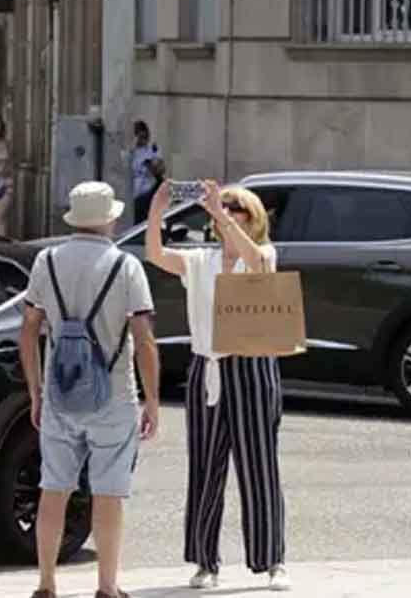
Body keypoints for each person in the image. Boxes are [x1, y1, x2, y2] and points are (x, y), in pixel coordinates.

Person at [144, 180, 290, 592]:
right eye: (222, 208)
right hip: (207, 368)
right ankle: (205, 561)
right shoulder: (200, 261)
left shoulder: (261, 254)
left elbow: (259, 263)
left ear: (252, 217)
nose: (225, 214)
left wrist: (222, 216)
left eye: (235, 209)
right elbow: (155, 255)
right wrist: (157, 209)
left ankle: (272, 559)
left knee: (259, 465)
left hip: (252, 366)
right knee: (206, 469)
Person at [20, 181, 161, 598]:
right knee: (109, 494)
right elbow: (144, 337)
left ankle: (46, 584)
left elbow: (29, 329)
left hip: (60, 394)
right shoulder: (126, 266)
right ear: (110, 219)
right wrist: (152, 400)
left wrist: (35, 391)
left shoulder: (46, 261)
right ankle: (107, 587)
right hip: (114, 395)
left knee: (54, 489)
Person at [130, 122, 163, 221]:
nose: (143, 139)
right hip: (133, 194)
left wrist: (150, 164)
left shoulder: (151, 149)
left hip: (147, 191)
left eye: (145, 136)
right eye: (140, 136)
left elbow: (160, 169)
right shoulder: (131, 151)